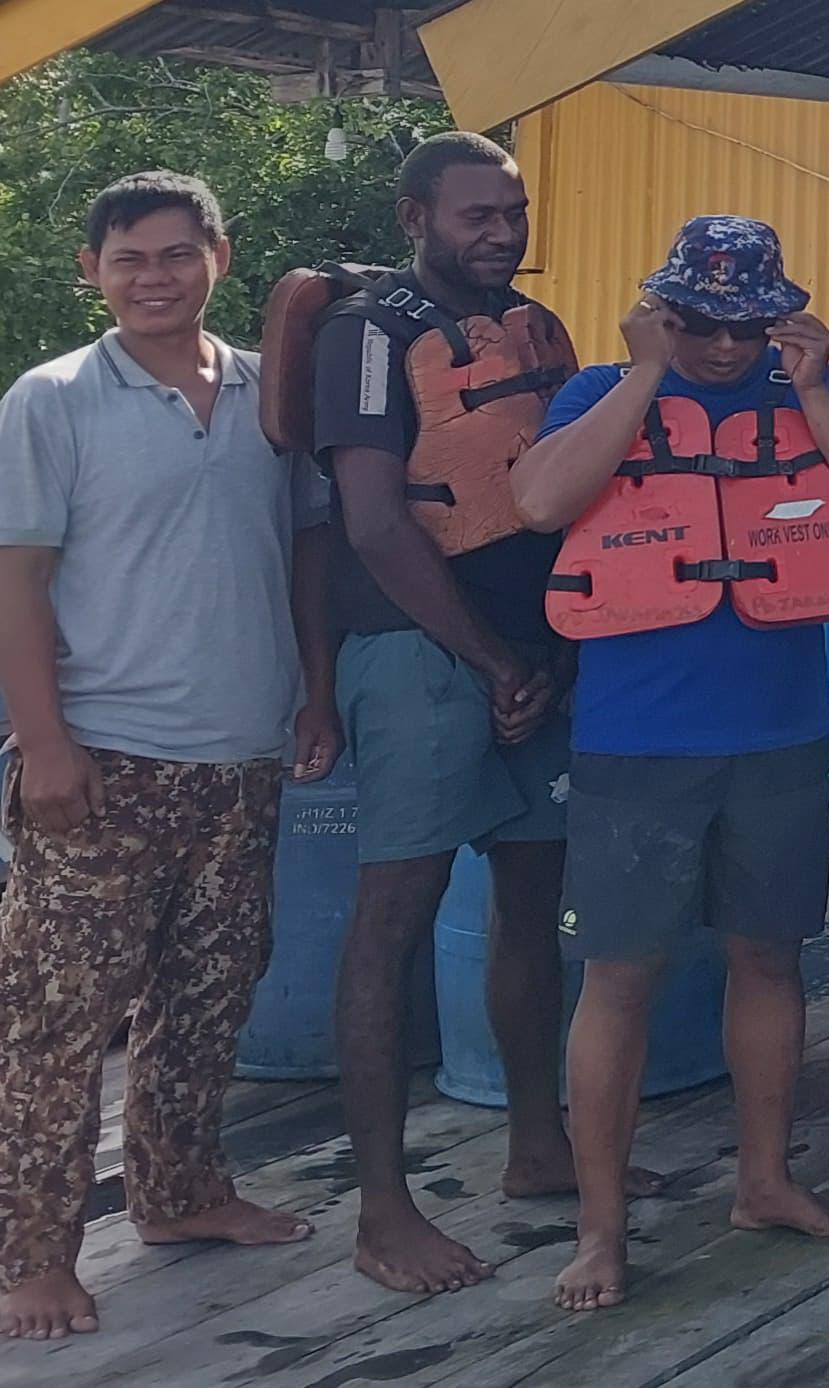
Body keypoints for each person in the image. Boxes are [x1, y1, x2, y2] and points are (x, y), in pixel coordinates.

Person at [0, 172, 337, 1341]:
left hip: (240, 759)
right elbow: (14, 582)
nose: (153, 276)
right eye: (128, 257)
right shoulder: (54, 399)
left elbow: (302, 555)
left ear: (218, 259)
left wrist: (312, 694)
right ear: (93, 269)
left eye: (177, 253)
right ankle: (32, 1254)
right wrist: (47, 745)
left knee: (206, 1000)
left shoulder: (266, 398)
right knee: (53, 1022)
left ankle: (182, 1194)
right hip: (105, 758)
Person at [512, 215, 829, 1312]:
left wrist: (818, 387)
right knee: (620, 975)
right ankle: (598, 1229)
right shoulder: (598, 388)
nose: (724, 346)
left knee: (768, 956)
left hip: (778, 730)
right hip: (637, 742)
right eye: (699, 321)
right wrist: (645, 367)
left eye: (744, 323)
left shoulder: (811, 392)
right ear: (662, 308)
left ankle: (766, 1179)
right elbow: (539, 501)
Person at [301, 132, 606, 1297]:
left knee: (534, 896)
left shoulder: (540, 331)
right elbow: (375, 521)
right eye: (477, 213)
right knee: (394, 918)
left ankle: (538, 1141)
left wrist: (555, 650)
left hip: (535, 655)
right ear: (414, 216)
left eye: (514, 211)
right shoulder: (367, 337)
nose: (502, 230)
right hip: (422, 656)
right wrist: (486, 661)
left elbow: (580, 485)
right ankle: (384, 1209)